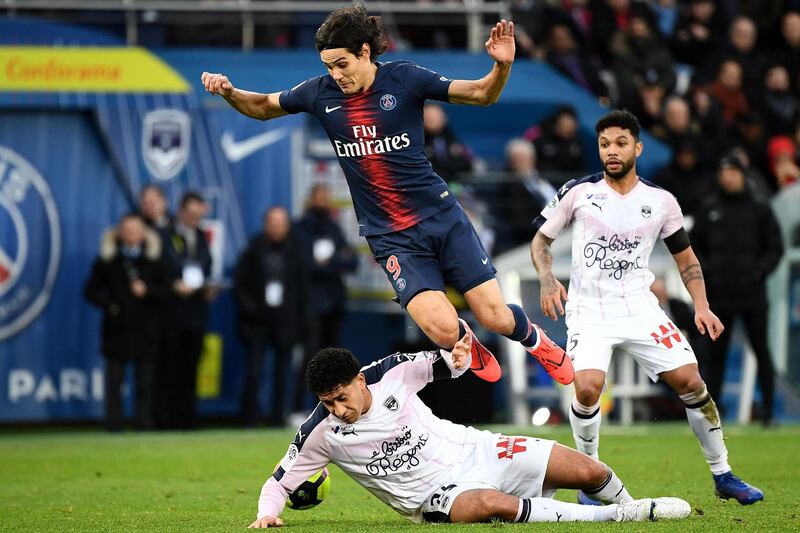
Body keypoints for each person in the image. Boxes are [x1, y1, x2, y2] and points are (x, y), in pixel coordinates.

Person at [201, 3, 572, 386]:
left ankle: (535, 340)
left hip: (440, 217)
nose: (335, 74)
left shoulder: (405, 79)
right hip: (390, 235)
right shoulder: (319, 93)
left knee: (495, 316)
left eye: (341, 64)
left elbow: (480, 94)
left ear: (365, 52)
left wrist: (502, 66)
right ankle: (466, 342)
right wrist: (230, 92)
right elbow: (262, 106)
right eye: (328, 66)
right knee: (443, 331)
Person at [530, 110, 764, 506]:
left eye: (620, 143)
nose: (612, 151)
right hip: (590, 310)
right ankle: (593, 479)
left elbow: (687, 261)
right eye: (605, 144)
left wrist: (701, 307)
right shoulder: (579, 192)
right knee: (586, 388)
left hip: (640, 307)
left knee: (691, 381)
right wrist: (548, 279)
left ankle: (723, 474)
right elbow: (540, 241)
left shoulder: (660, 201)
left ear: (637, 147)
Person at [247, 336, 691, 528]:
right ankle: (618, 518)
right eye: (328, 403)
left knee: (588, 470)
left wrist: (459, 355)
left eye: (342, 397)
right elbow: (278, 482)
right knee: (491, 503)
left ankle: (632, 508)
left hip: (476, 447)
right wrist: (268, 514)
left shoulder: (391, 373)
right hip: (434, 497)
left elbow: (448, 364)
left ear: (360, 381)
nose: (338, 410)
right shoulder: (319, 432)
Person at [690, 156, 784, 426]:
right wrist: (709, 274)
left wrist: (757, 272)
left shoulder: (759, 207)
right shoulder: (709, 207)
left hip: (752, 294)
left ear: (743, 175)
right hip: (720, 296)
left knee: (761, 351)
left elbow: (775, 248)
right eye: (724, 172)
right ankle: (713, 414)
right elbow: (693, 247)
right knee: (716, 355)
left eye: (733, 172)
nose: (728, 177)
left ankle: (768, 411)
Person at [84, 213, 167, 431]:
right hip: (117, 329)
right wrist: (111, 305)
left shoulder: (155, 259)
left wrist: (147, 290)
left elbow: (166, 291)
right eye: (127, 230)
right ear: (120, 233)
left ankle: (144, 423)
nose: (130, 234)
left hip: (146, 329)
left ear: (143, 233)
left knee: (146, 383)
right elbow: (90, 290)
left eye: (135, 230)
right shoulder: (108, 259)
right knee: (114, 383)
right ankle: (114, 424)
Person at [235, 206, 310, 427]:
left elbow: (303, 290)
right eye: (273, 222)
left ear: (287, 226)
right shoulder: (253, 249)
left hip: (286, 322)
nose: (277, 227)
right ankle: (248, 419)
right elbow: (241, 285)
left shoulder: (296, 250)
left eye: (281, 223)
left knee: (282, 374)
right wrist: (252, 309)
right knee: (254, 372)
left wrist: (301, 321)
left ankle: (277, 418)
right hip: (257, 320)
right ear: (265, 224)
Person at [293, 184, 358, 413]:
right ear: (310, 200)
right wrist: (334, 265)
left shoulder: (334, 228)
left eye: (326, 197)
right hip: (310, 304)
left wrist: (330, 264)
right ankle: (299, 408)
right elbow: (304, 265)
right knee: (310, 358)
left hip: (334, 304)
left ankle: (328, 408)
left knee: (333, 361)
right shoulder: (300, 228)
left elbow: (352, 262)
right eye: (319, 197)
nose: (324, 201)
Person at [157, 191, 213, 430]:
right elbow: (159, 269)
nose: (194, 218)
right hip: (171, 314)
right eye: (190, 214)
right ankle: (166, 419)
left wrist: (207, 288)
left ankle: (188, 419)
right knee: (169, 368)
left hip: (195, 314)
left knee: (191, 368)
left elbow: (205, 268)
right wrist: (173, 285)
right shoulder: (165, 235)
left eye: (198, 215)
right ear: (181, 210)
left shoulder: (201, 236)